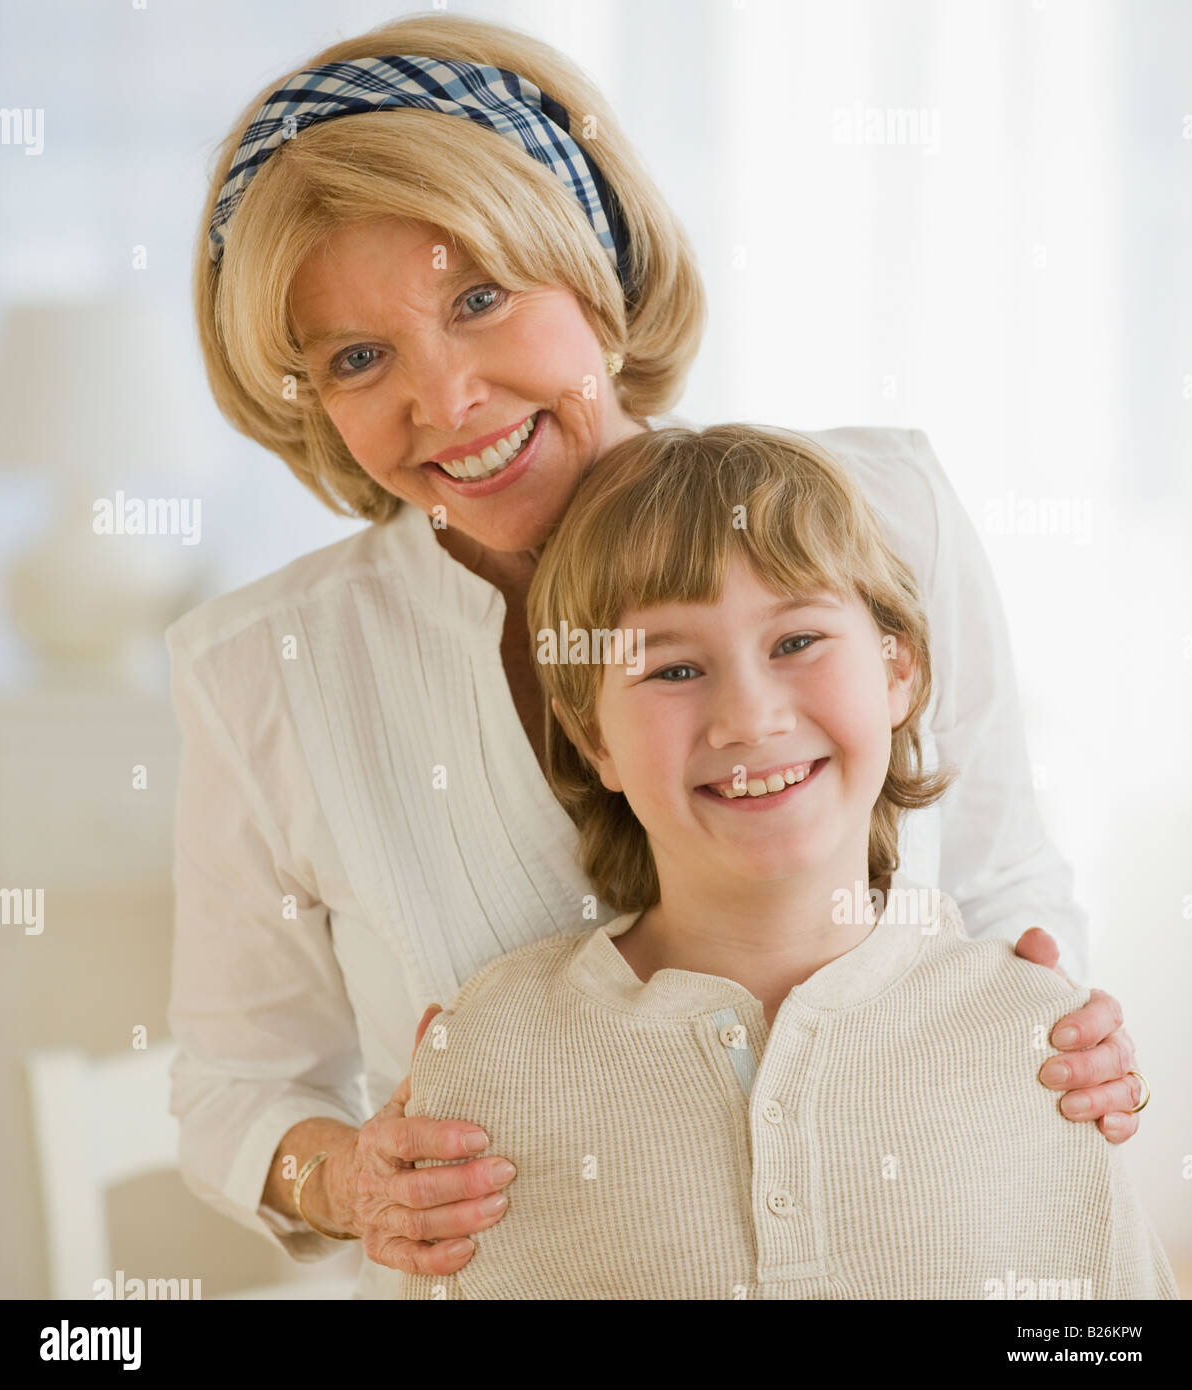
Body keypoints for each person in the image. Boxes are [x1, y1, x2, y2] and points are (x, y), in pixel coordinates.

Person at [167, 13, 1148, 1301]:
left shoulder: (877, 509)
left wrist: (1056, 1038)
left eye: (479, 297)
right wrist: (347, 1179)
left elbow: (1009, 876)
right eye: (359, 357)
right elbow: (234, 1087)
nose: (445, 398)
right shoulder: (262, 670)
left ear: (592, 266)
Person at [398, 423, 1175, 1300]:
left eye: (796, 642)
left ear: (898, 670)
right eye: (673, 670)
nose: (749, 717)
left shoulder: (1045, 1040)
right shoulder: (493, 1051)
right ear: (593, 741)